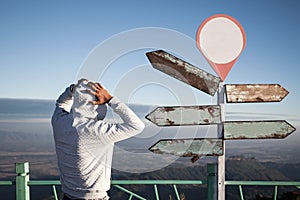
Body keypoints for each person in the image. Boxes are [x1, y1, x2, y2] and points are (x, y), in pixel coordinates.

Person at [51, 79, 145, 200]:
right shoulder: (98, 130)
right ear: (96, 104)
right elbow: (137, 125)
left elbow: (61, 103)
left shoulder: (60, 121)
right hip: (94, 197)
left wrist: (72, 90)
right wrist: (111, 99)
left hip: (67, 195)